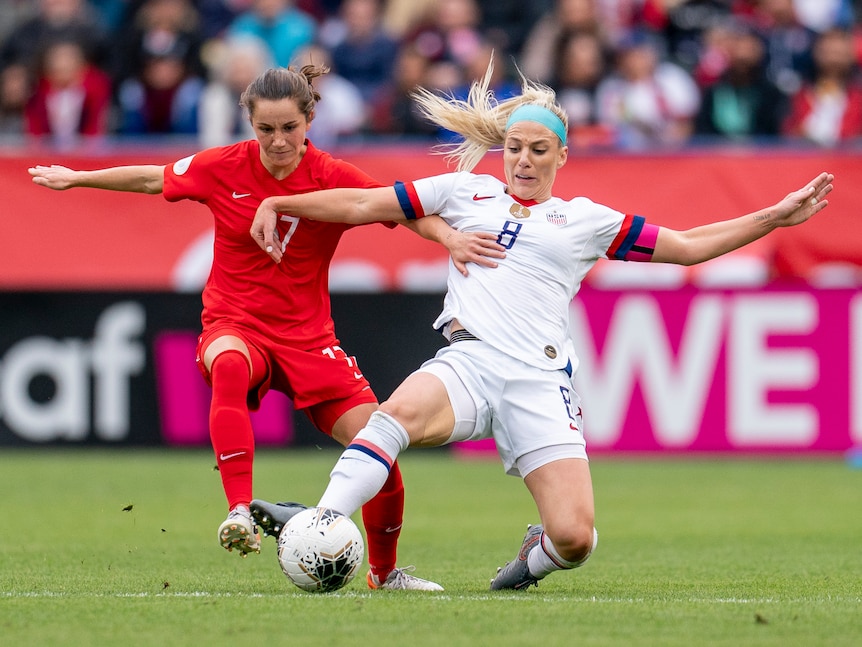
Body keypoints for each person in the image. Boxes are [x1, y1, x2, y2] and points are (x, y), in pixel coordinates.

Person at [247, 60, 834, 590]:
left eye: (538, 150)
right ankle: (320, 522)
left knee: (576, 539)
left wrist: (774, 217)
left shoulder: (585, 221)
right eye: (514, 148)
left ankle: (535, 557)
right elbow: (358, 204)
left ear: (562, 156)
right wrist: (280, 203)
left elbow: (686, 246)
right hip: (470, 361)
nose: (523, 160)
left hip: (539, 380)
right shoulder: (462, 192)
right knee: (390, 419)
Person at [29, 64, 504, 591]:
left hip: (309, 338)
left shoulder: (334, 176)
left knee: (381, 447)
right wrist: (77, 177)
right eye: (266, 130)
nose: (277, 141)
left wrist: (450, 239)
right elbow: (151, 176)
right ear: (250, 124)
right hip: (235, 321)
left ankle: (384, 574)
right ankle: (238, 510)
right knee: (229, 363)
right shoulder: (222, 166)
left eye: (289, 129)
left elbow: (404, 208)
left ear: (310, 120)